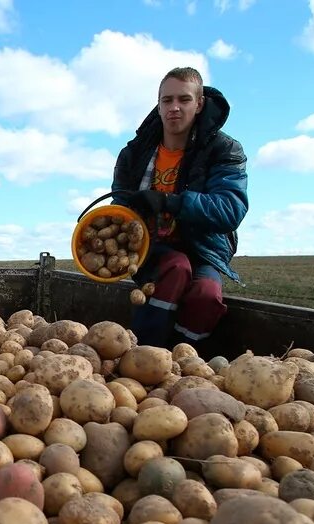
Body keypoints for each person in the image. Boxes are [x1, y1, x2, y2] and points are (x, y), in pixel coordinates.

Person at [114, 67, 248, 347]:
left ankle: (184, 358)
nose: (174, 107)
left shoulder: (224, 150)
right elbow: (119, 206)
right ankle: (146, 351)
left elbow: (230, 210)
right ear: (159, 105)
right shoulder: (134, 153)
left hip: (202, 247)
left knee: (206, 294)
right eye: (167, 100)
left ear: (199, 104)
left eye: (184, 100)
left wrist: (169, 202)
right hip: (150, 247)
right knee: (176, 268)